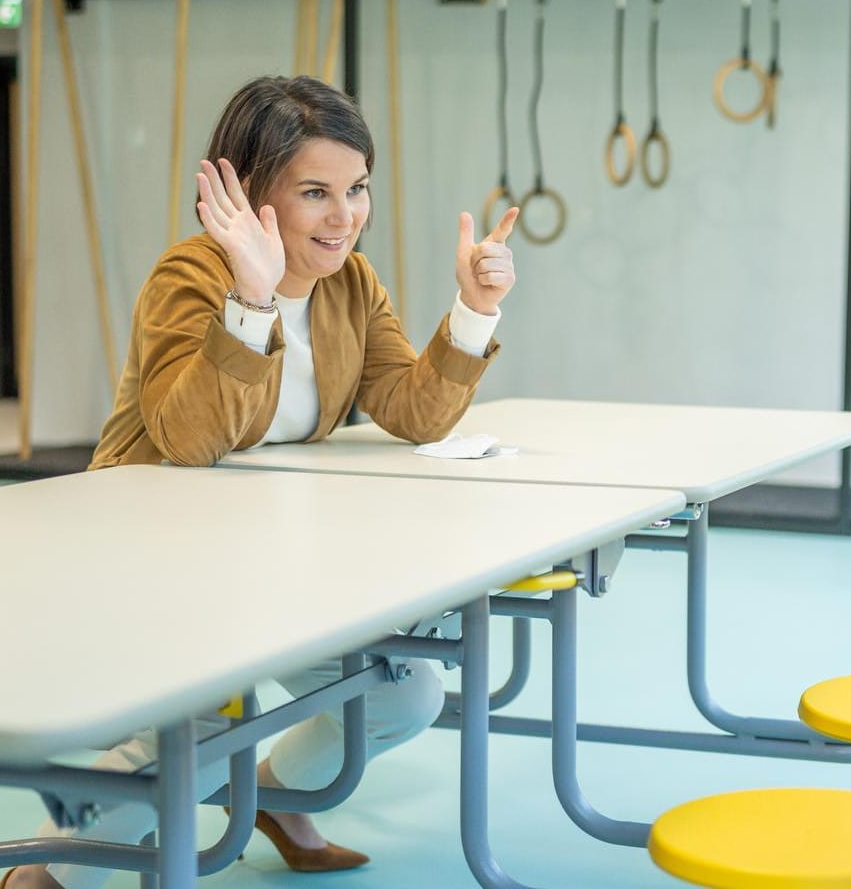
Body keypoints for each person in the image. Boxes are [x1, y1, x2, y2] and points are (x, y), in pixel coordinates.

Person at [4, 74, 518, 889]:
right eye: (316, 191)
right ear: (250, 196)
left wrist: (473, 308)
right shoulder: (191, 275)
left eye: (356, 189)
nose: (345, 215)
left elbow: (414, 411)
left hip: (273, 551)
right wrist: (250, 295)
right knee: (210, 713)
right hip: (153, 545)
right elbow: (189, 438)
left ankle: (268, 797)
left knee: (404, 692)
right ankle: (45, 874)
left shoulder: (351, 284)